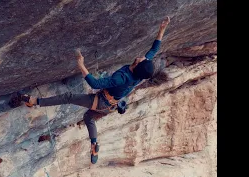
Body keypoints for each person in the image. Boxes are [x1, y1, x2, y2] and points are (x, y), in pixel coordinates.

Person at [9, 16, 170, 164]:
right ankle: (94, 144)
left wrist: (81, 65)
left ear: (137, 65)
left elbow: (94, 83)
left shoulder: (122, 79)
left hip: (101, 102)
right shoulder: (140, 73)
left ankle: (32, 101)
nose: (143, 56)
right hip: (111, 106)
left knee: (69, 96)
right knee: (88, 118)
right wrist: (162, 29)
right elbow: (153, 50)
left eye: (142, 59)